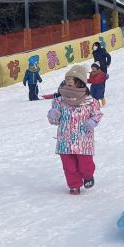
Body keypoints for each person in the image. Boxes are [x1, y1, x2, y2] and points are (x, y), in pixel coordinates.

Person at [47, 64, 102, 195]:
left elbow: (97, 114)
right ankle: (74, 185)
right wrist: (53, 115)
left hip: (83, 140)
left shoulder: (90, 101)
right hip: (65, 140)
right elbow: (54, 121)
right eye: (67, 78)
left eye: (71, 78)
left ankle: (88, 176)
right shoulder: (59, 101)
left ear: (80, 81)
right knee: (69, 166)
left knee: (85, 165)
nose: (68, 81)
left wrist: (92, 121)